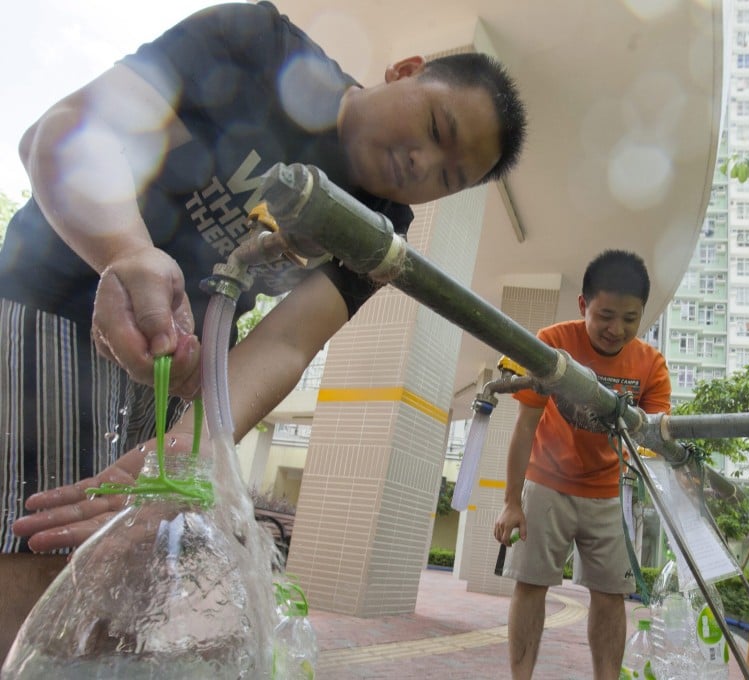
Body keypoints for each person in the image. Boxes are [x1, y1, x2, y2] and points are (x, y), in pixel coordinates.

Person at [0, 0, 526, 655]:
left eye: (447, 177)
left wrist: (196, 448)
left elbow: (286, 341)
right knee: (36, 555)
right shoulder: (256, 42)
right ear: (405, 71)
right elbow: (69, 131)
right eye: (434, 126)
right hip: (53, 300)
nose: (422, 164)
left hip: (168, 366)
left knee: (117, 574)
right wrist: (126, 253)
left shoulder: (378, 228)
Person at [492, 250, 671, 680]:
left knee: (612, 594)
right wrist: (511, 502)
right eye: (605, 315)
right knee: (531, 584)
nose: (617, 329)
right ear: (583, 305)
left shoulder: (650, 364)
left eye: (630, 318)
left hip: (607, 492)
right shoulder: (552, 343)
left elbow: (653, 437)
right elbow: (525, 427)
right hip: (547, 483)